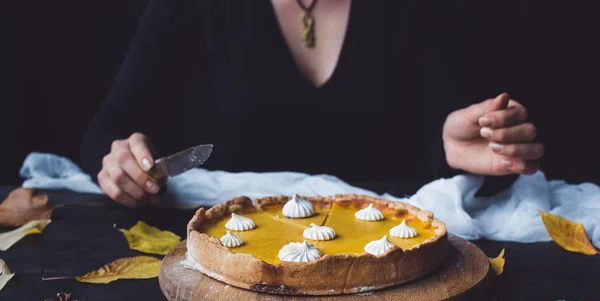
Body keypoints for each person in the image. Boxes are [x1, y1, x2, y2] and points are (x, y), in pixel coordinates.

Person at [81, 0, 543, 208]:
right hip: (238, 251)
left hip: (384, 250)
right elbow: (105, 132)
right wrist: (121, 162)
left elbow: (434, 142)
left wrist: (455, 147)